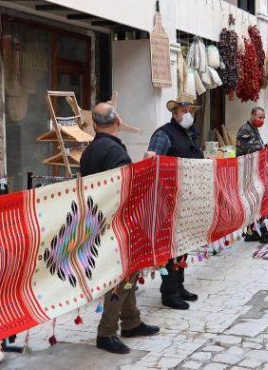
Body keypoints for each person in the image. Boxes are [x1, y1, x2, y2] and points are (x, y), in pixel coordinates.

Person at [80, 102, 160, 354]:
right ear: (117, 122)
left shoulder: (89, 151)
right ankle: (106, 332)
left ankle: (132, 321)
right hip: (117, 222)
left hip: (97, 220)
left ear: (94, 124)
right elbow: (126, 188)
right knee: (122, 277)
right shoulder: (115, 152)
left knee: (130, 271)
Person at [148, 96, 203, 310]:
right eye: (183, 110)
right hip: (169, 198)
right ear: (174, 114)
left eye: (190, 110)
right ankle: (169, 292)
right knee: (171, 246)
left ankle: (179, 286)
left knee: (183, 244)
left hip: (188, 198)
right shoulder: (164, 135)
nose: (187, 113)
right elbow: (153, 165)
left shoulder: (190, 133)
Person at [236, 107, 268, 241]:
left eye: (264, 118)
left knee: (254, 202)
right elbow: (250, 150)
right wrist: (267, 146)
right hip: (246, 173)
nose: (262, 120)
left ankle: (251, 233)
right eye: (260, 117)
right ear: (252, 115)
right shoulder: (245, 130)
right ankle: (264, 234)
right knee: (255, 202)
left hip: (253, 172)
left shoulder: (254, 130)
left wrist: (266, 146)